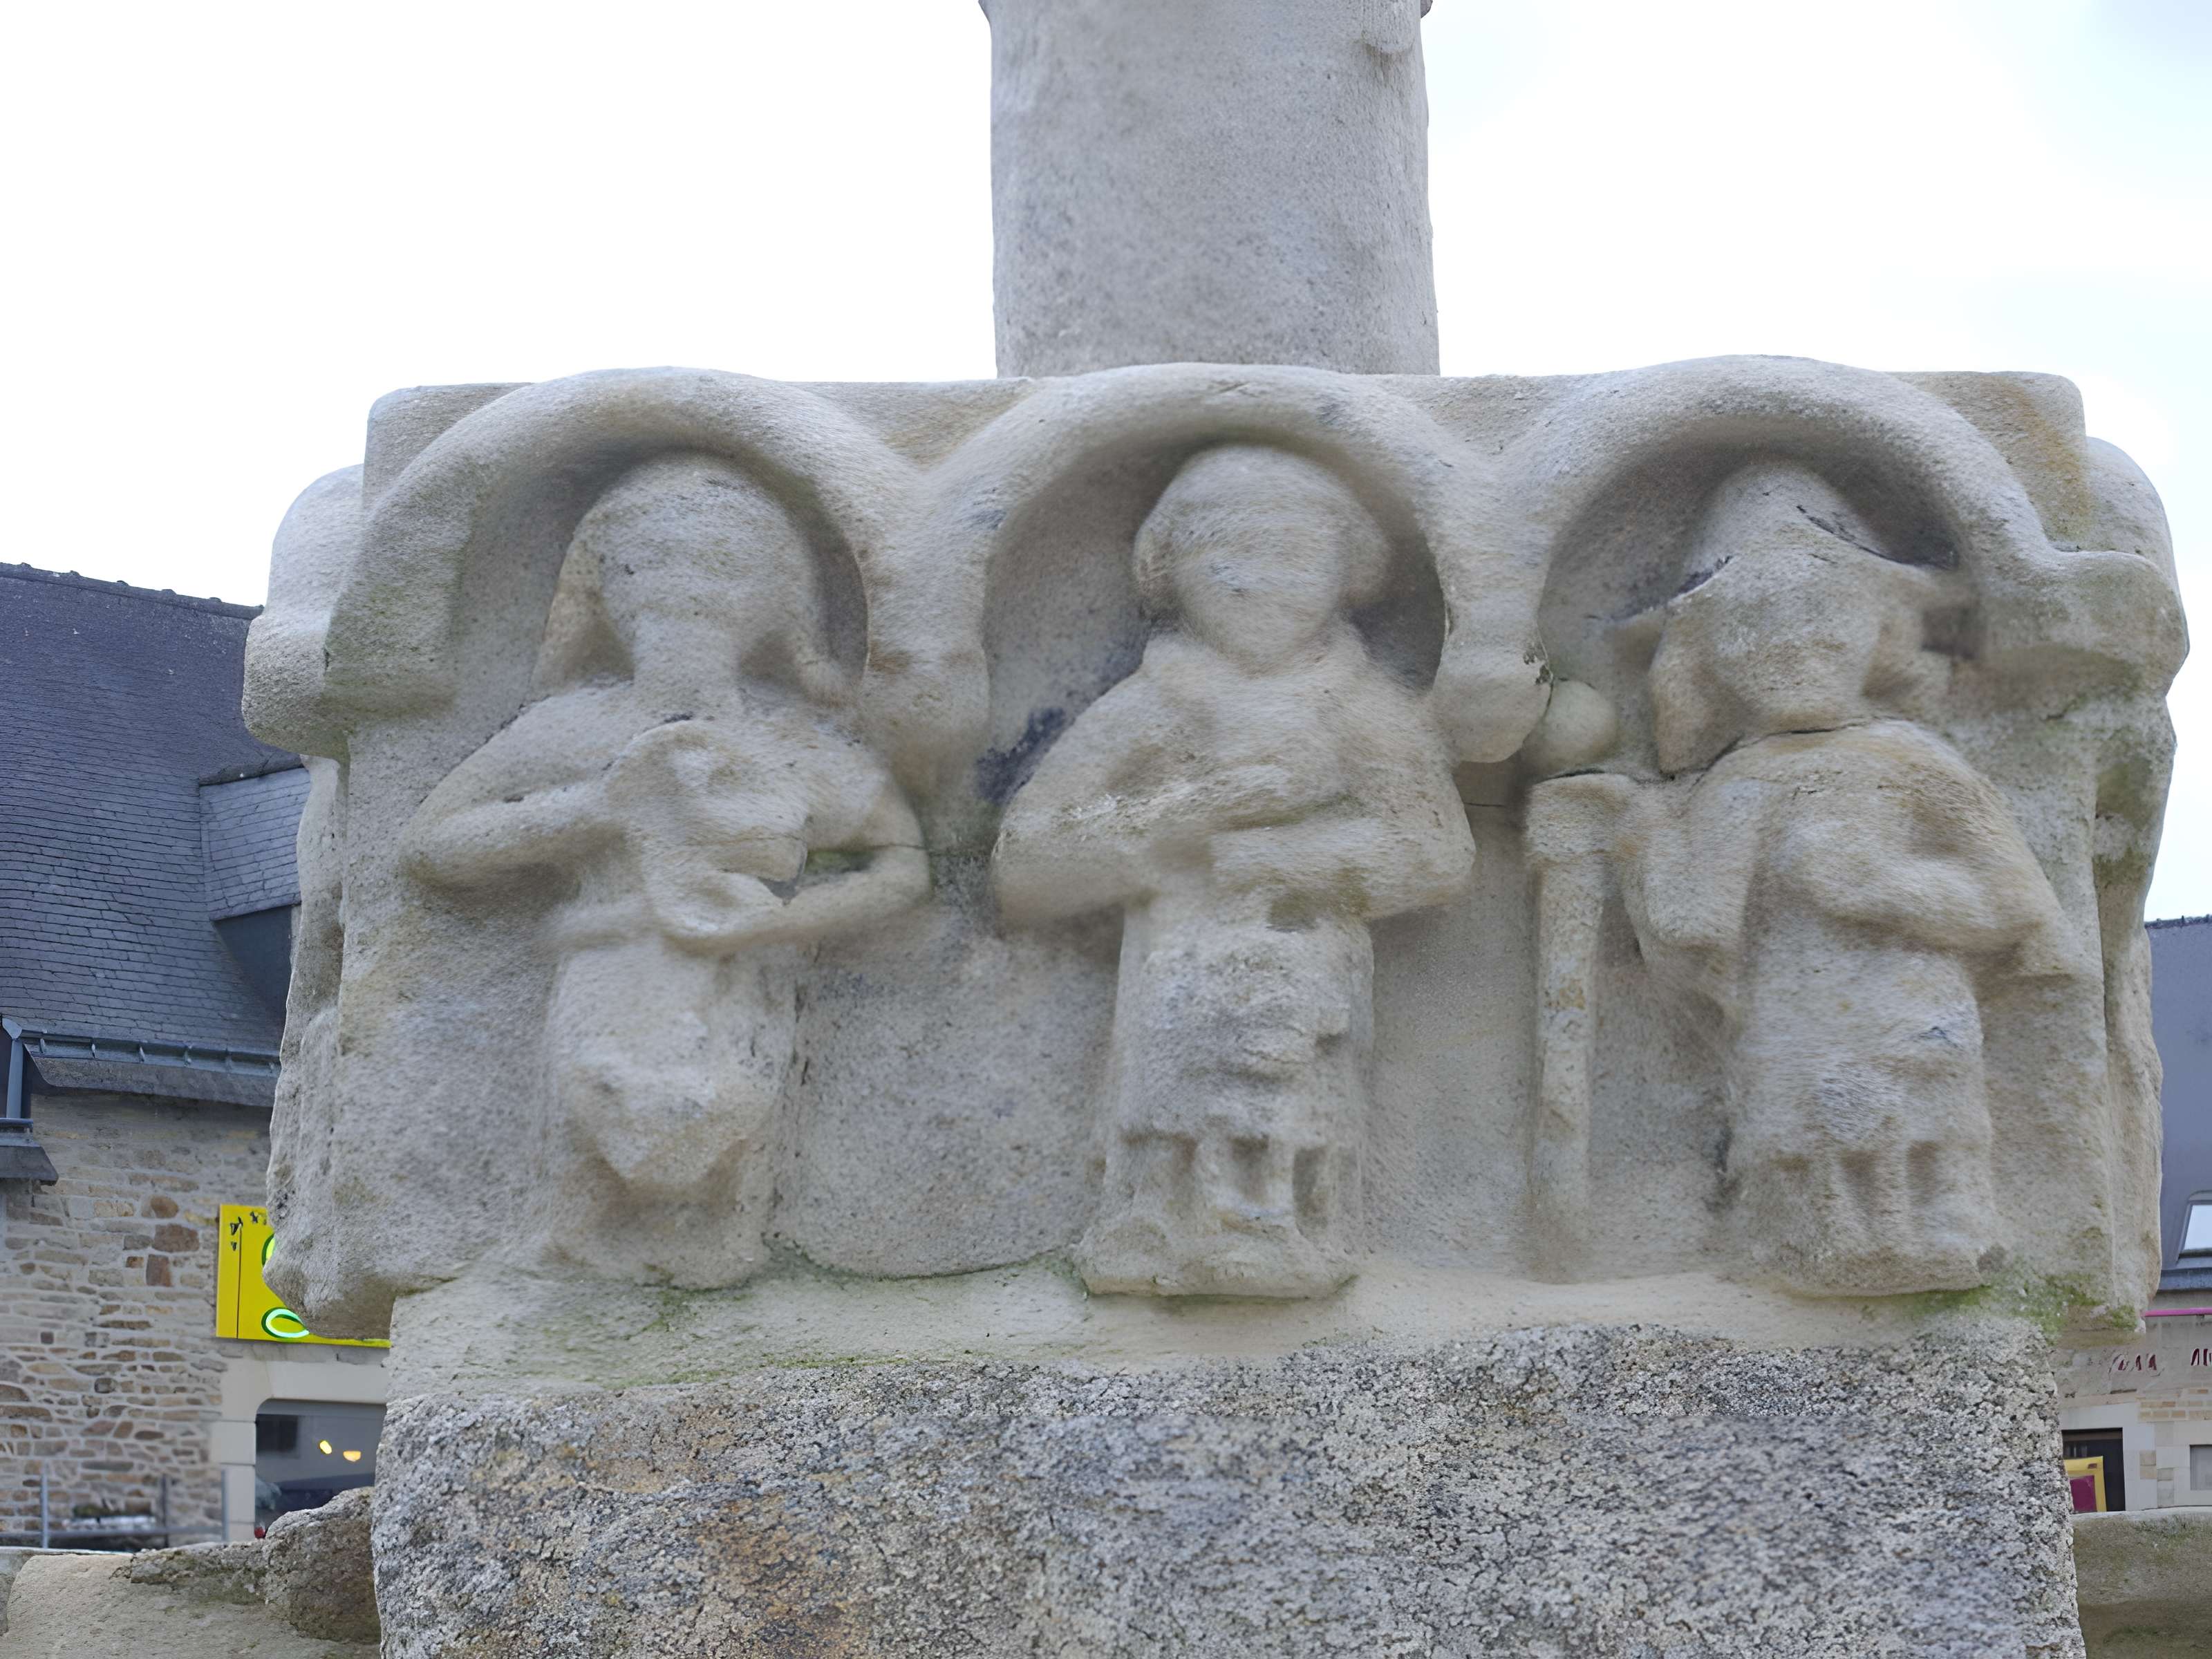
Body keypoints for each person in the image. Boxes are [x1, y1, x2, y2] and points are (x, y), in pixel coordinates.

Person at [403, 454, 928, 1287]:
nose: (686, 589)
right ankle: (572, 1236)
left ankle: (727, 1234)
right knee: (595, 1104)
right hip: (610, 964)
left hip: (739, 976)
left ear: (774, 602)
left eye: (722, 567)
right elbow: (435, 843)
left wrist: (781, 921)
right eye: (650, 565)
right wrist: (593, 809)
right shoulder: (570, 728)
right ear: (601, 591)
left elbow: (902, 865)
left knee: (730, 1114)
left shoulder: (792, 740)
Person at [995, 444, 1473, 1296]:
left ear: (1348, 569)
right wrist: (1190, 816)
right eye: (1224, 552)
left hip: (1300, 953)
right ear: (1168, 570)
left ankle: (1289, 1228)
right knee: (1172, 1112)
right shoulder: (1148, 707)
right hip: (1174, 961)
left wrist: (1274, 857)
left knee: (1285, 1110)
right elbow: (1028, 861)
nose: (1255, 581)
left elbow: (1434, 853)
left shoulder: (1363, 710)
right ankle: (1151, 1224)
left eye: (1291, 554)